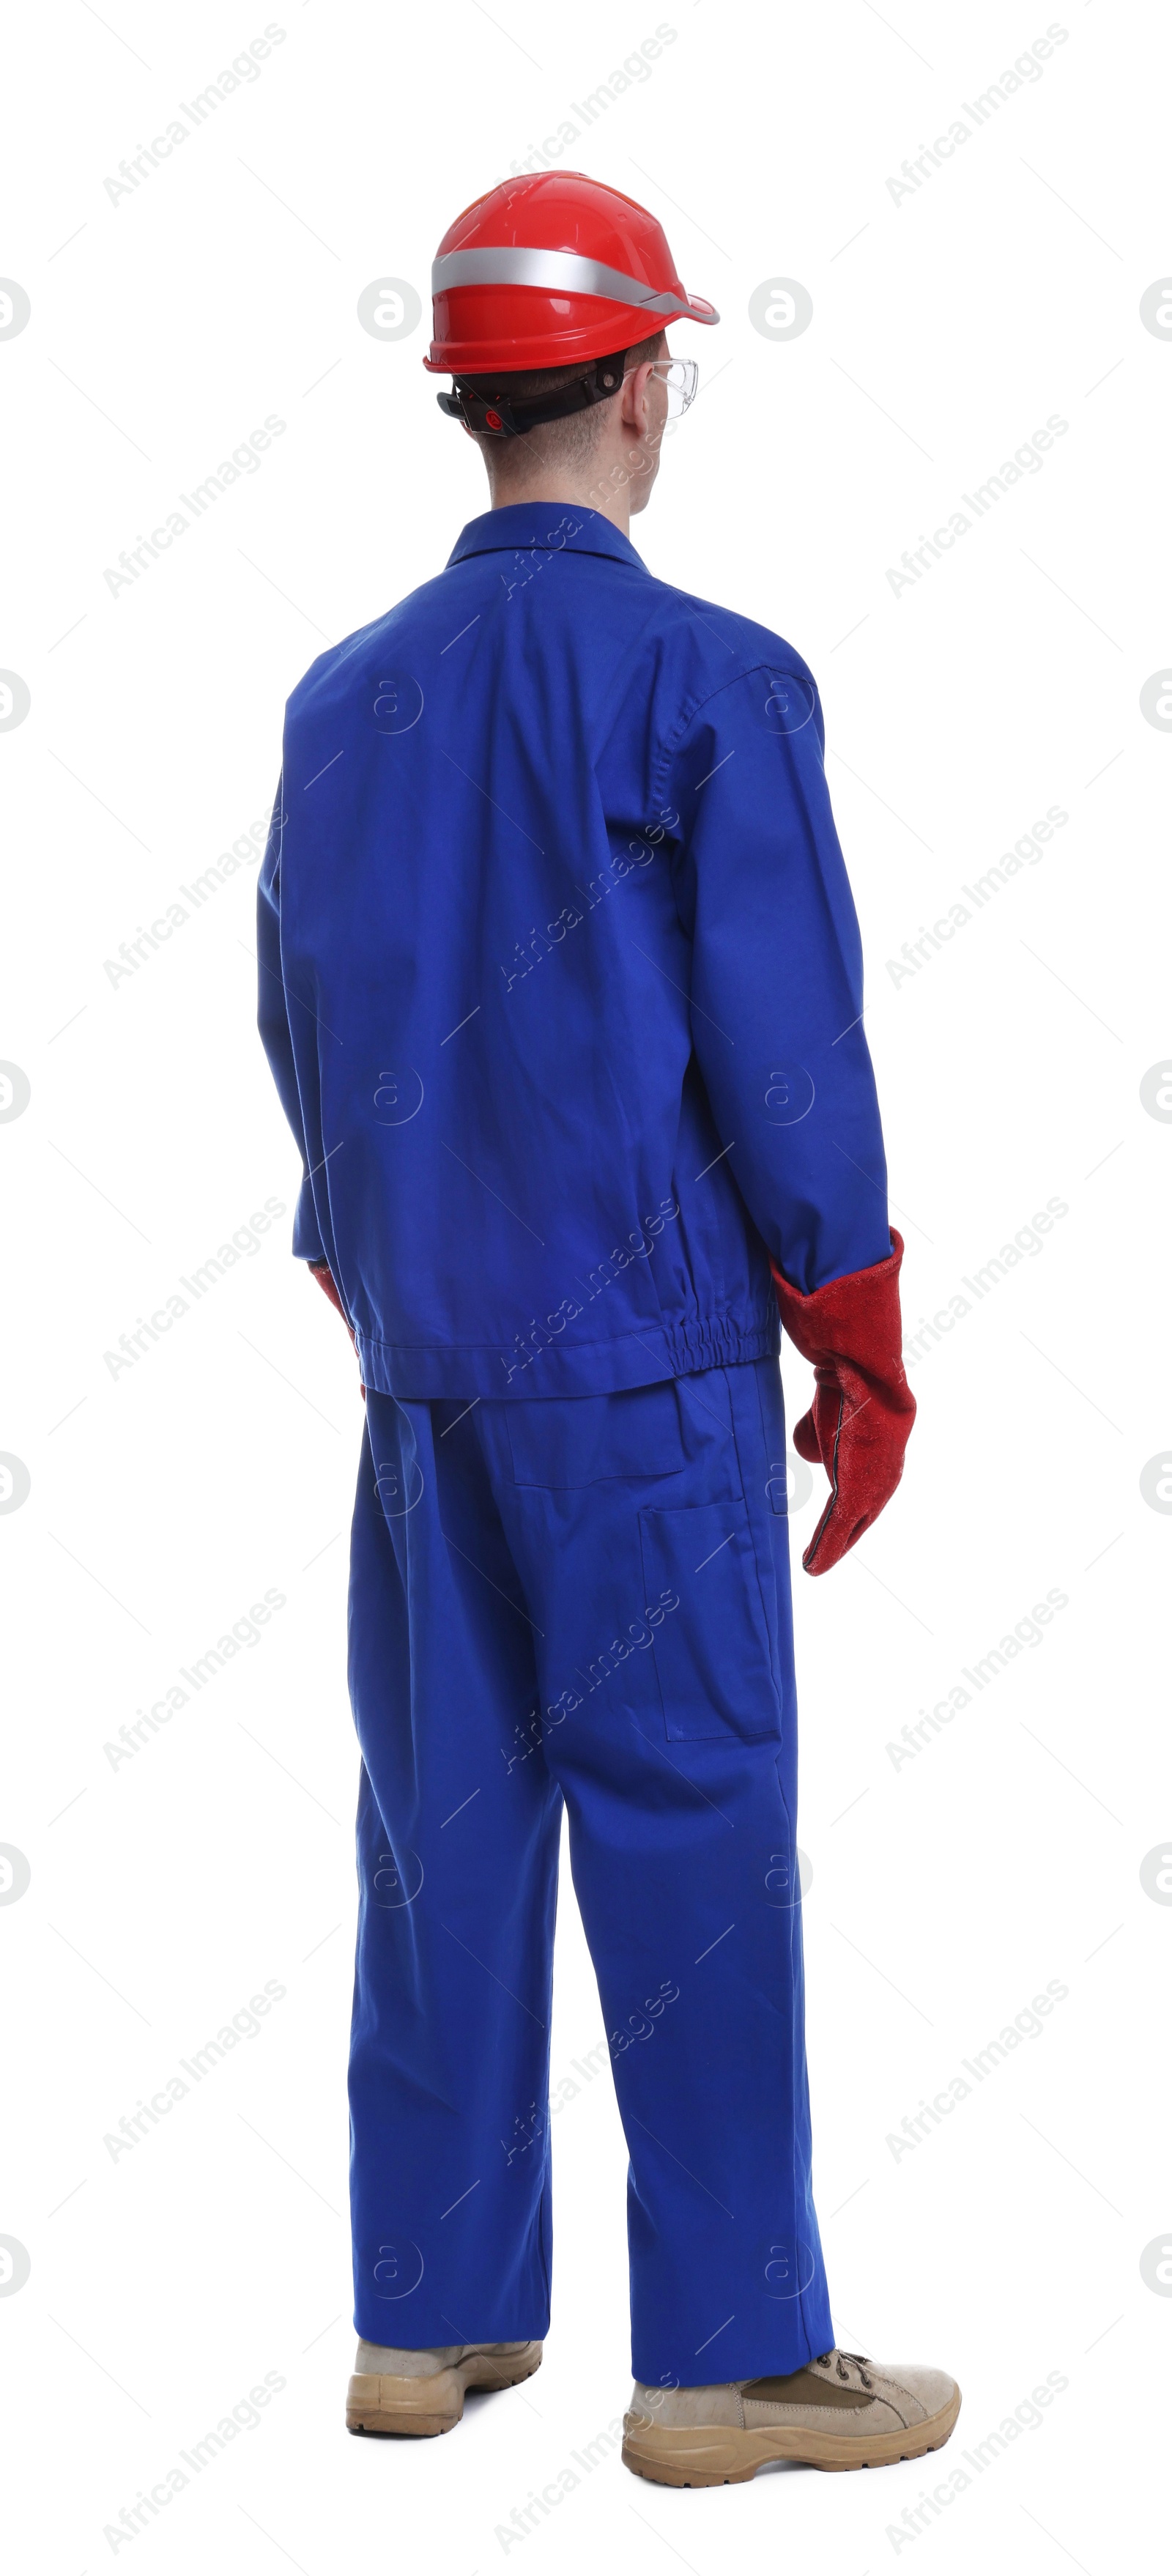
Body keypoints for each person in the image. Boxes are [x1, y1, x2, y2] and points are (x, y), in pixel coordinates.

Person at [257, 170, 959, 2487]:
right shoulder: (714, 680)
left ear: (474, 397)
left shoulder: (342, 696)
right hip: (643, 1381)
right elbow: (784, 1045)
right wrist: (849, 1325)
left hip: (424, 1382)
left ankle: (424, 2324)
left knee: (441, 1832)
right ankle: (726, 2362)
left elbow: (303, 1013)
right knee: (689, 1831)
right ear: (644, 387)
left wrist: (378, 1266)